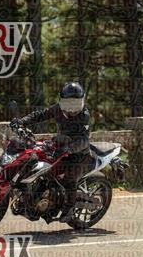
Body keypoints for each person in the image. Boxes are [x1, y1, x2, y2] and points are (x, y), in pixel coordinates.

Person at [10, 82, 91, 223]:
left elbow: (84, 140)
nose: (72, 108)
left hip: (79, 154)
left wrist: (69, 149)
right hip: (60, 147)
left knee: (69, 179)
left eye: (75, 104)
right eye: (69, 103)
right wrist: (22, 122)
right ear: (61, 101)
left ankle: (69, 208)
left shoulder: (84, 116)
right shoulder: (58, 109)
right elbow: (40, 115)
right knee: (42, 169)